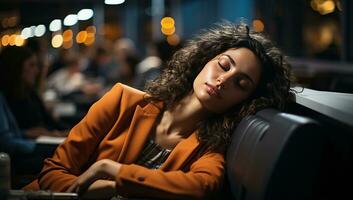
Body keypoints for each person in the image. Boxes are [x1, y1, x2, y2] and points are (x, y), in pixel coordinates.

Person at [24, 22, 293, 199]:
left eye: (241, 83)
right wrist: (100, 190)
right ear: (204, 60)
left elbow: (202, 187)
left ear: (243, 100)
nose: (224, 81)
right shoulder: (122, 100)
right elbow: (52, 174)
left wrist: (114, 173)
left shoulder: (209, 147)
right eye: (223, 65)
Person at [0, 46, 68, 138]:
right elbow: (10, 138)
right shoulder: (6, 98)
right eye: (31, 65)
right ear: (16, 67)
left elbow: (50, 122)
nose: (36, 70)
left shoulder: (30, 93)